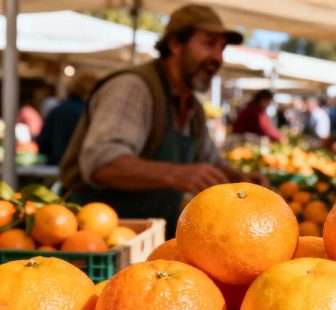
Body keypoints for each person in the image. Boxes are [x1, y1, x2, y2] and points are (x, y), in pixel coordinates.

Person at [59, 4, 266, 238]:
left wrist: (240, 180)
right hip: (98, 240)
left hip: (153, 240)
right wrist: (176, 174)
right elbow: (101, 163)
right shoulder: (133, 88)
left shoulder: (192, 108)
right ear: (176, 44)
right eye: (209, 44)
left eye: (222, 48)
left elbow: (210, 163)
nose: (217, 57)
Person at [37, 73, 98, 165]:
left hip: (55, 167)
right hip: (79, 170)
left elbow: (42, 144)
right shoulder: (87, 113)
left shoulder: (56, 110)